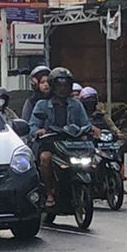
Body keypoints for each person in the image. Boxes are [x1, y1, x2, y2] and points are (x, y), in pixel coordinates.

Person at [28, 67, 93, 206]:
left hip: (71, 144)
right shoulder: (42, 105)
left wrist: (88, 131)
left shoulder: (76, 104)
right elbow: (32, 126)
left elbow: (85, 123)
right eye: (59, 85)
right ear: (53, 86)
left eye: (66, 85)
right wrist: (39, 131)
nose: (62, 89)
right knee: (45, 158)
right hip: (50, 143)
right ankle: (49, 192)